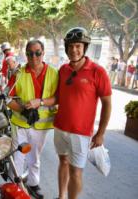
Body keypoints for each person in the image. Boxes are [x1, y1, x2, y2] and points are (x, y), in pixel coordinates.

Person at [52, 27, 111, 199]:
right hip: (60, 127)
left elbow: (107, 104)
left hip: (81, 133)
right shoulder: (63, 70)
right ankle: (61, 196)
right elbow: (57, 97)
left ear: (84, 47)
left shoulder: (97, 71)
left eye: (78, 46)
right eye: (70, 46)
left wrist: (100, 133)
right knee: (62, 162)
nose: (74, 50)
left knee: (76, 171)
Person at [7, 40, 59, 199]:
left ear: (43, 53)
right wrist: (23, 109)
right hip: (20, 123)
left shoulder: (53, 73)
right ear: (25, 54)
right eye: (29, 53)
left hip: (41, 126)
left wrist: (40, 102)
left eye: (37, 52)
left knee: (34, 157)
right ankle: (12, 187)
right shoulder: (19, 73)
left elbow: (57, 98)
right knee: (17, 157)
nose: (33, 56)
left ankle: (33, 184)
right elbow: (8, 99)